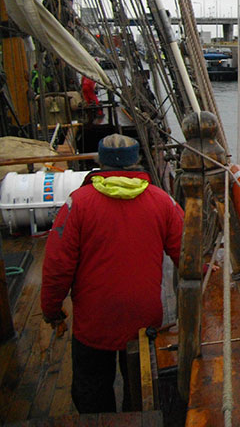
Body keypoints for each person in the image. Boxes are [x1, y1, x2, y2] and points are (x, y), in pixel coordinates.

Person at [41, 134, 184, 414]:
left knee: (92, 392)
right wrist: (206, 270)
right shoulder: (162, 202)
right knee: (141, 392)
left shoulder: (77, 204)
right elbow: (187, 253)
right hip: (143, 320)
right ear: (136, 162)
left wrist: (52, 311)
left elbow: (57, 265)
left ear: (100, 162)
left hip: (94, 322)